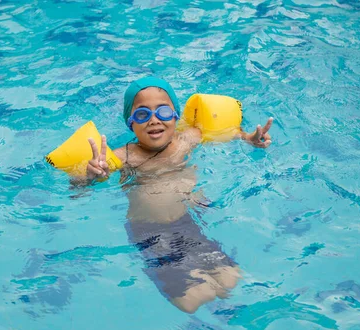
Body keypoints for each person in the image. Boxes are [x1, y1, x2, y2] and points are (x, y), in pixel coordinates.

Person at [84, 77, 272, 313]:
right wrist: (92, 174)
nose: (154, 120)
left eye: (163, 112)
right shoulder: (125, 157)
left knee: (230, 280)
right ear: (130, 122)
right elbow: (83, 183)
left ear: (175, 116)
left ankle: (232, 319)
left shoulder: (187, 139)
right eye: (142, 114)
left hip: (186, 224)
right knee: (192, 300)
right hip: (151, 234)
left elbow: (229, 133)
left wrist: (249, 139)